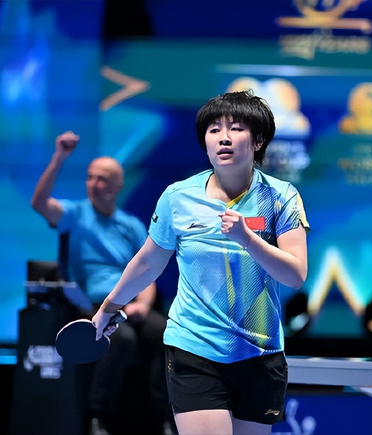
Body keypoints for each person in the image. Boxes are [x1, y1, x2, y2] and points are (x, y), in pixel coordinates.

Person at [91, 90, 310, 435]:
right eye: (214, 129)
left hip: (260, 350)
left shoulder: (281, 197)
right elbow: (148, 263)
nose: (224, 137)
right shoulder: (178, 197)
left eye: (236, 128)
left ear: (258, 141)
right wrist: (109, 307)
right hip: (194, 346)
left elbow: (295, 274)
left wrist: (248, 239)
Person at [31, 132, 169, 435]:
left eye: (102, 179)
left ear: (118, 186)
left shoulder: (131, 225)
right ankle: (97, 417)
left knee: (165, 333)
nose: (94, 184)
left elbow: (148, 270)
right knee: (122, 339)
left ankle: (162, 419)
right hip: (90, 305)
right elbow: (39, 203)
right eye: (90, 177)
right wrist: (59, 158)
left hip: (129, 303)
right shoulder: (74, 214)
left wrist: (143, 305)